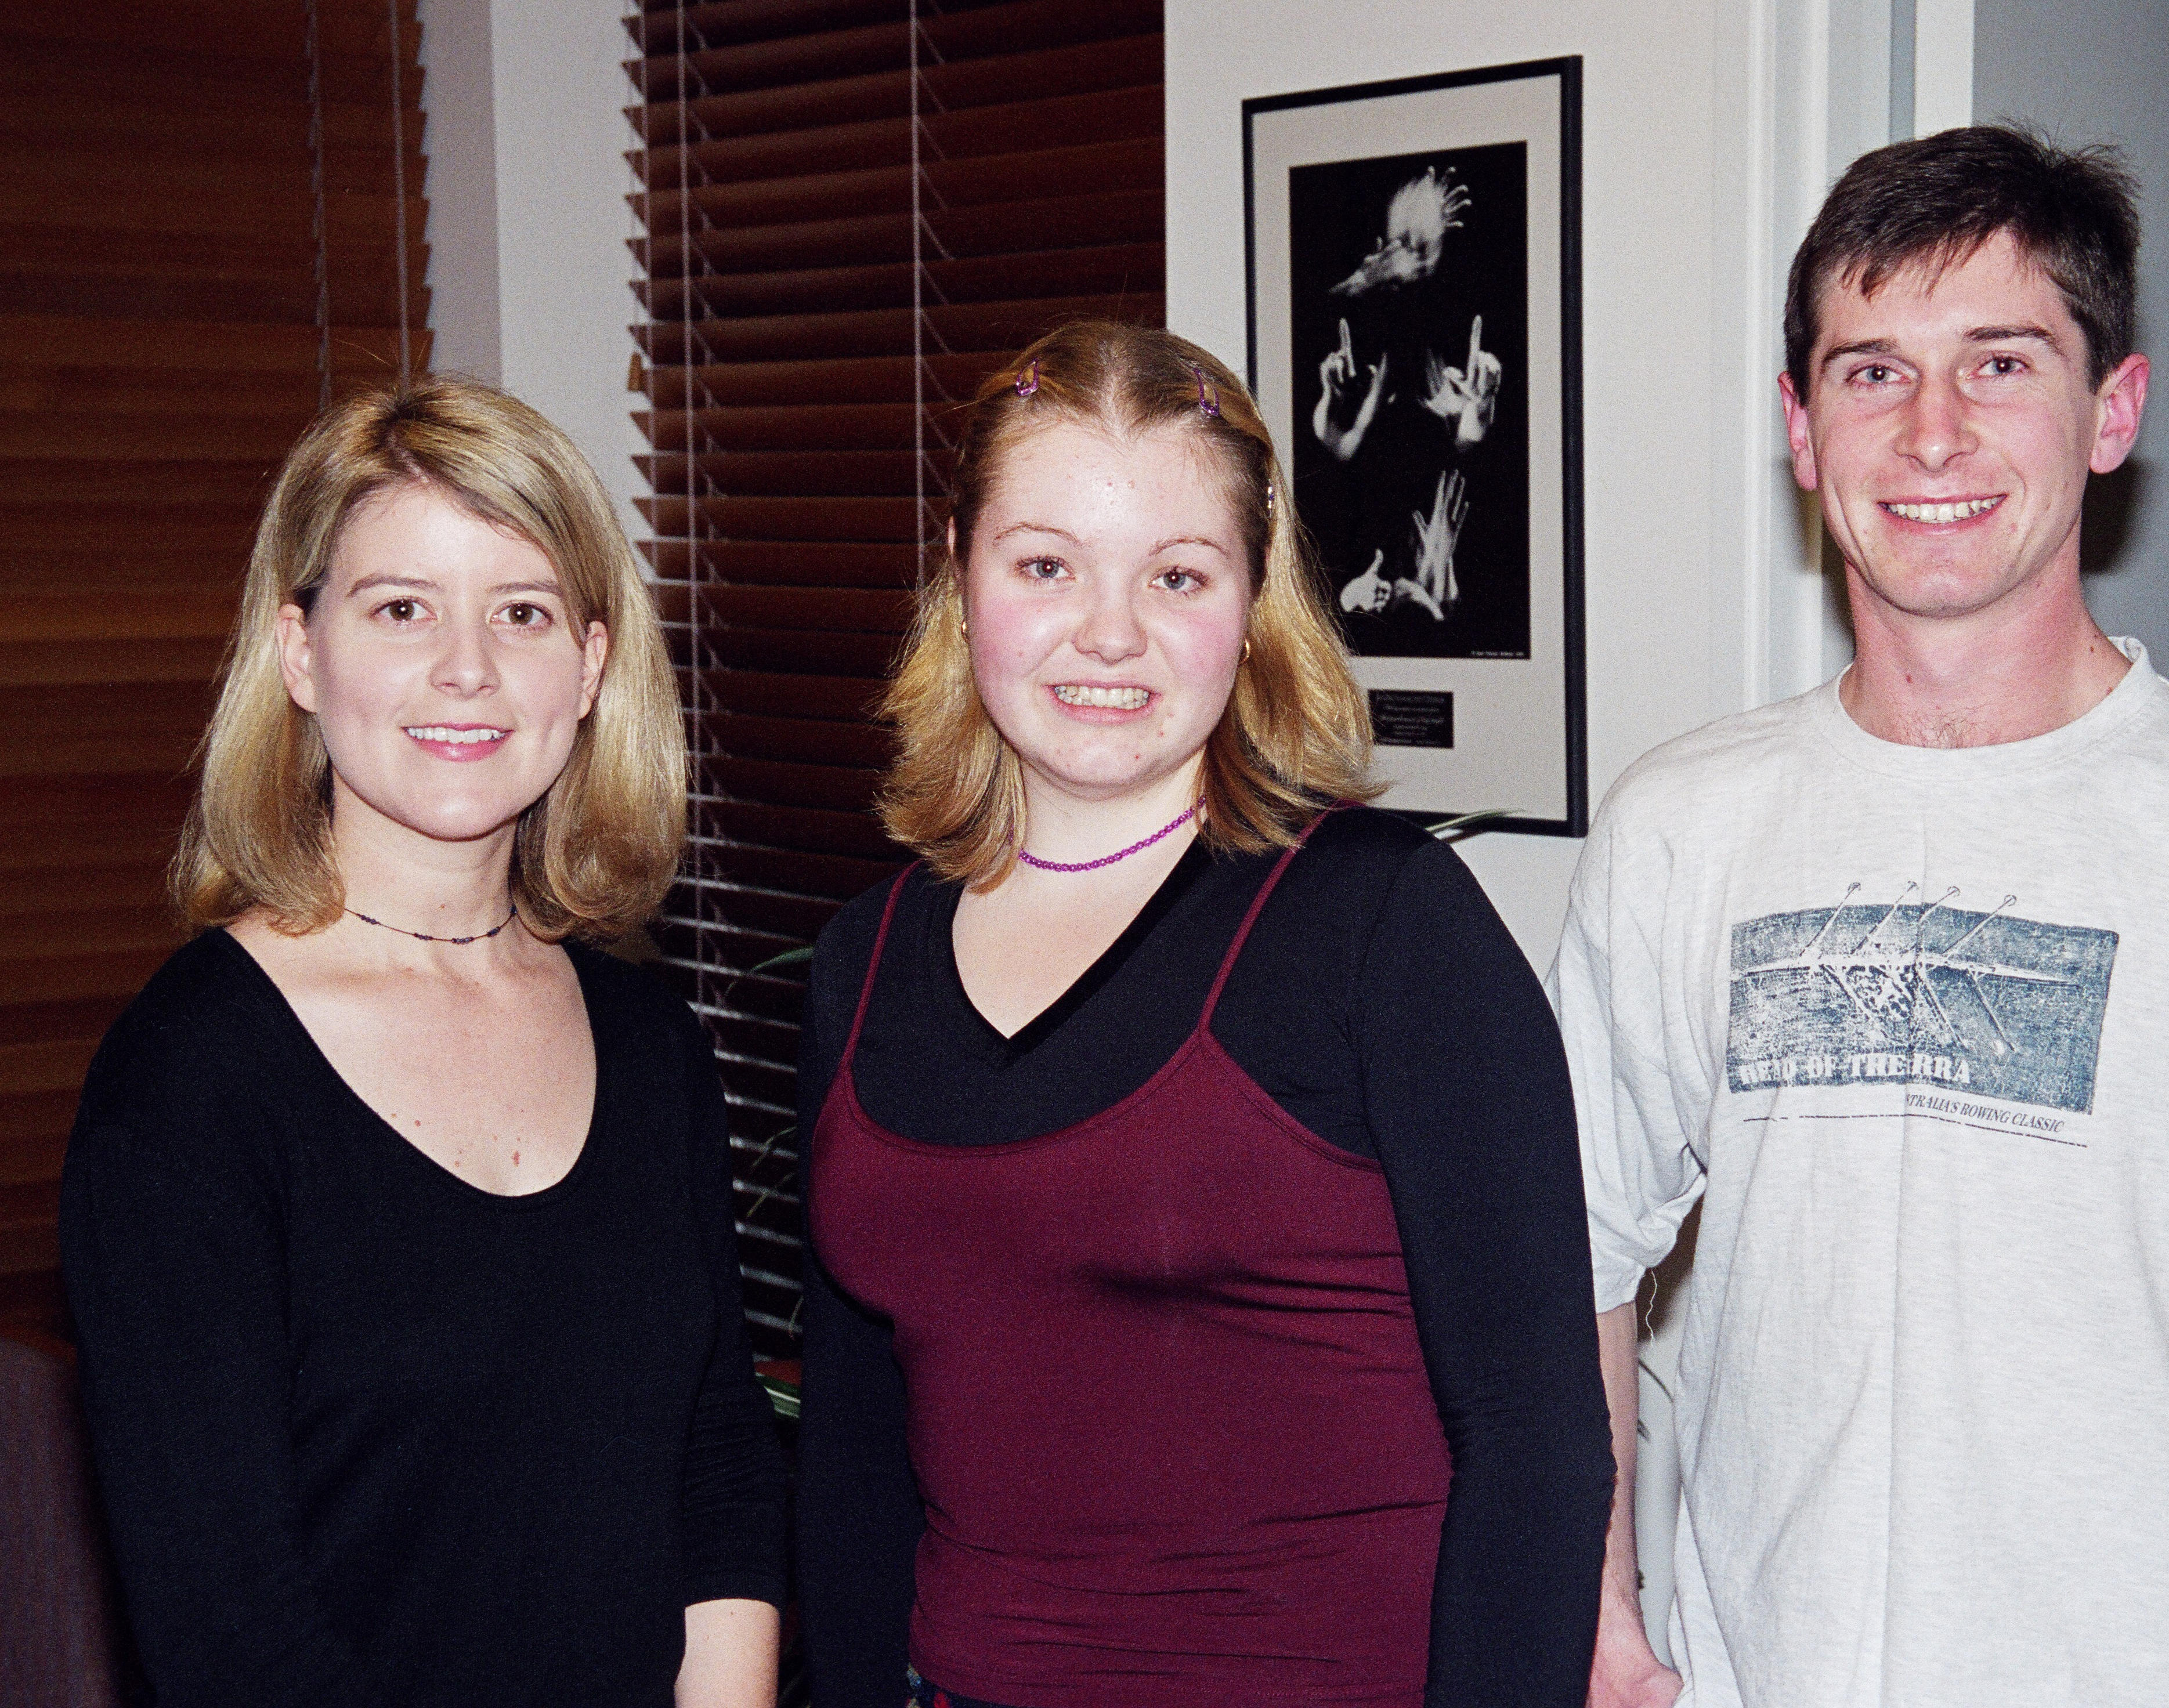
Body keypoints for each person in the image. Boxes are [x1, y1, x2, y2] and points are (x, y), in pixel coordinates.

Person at [794, 321, 1614, 1708]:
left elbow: (1537, 1445)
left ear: (1251, 602)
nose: (1109, 632)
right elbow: (854, 1449)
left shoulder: (1384, 925)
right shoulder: (861, 958)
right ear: (960, 574)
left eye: (1176, 575)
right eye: (1046, 565)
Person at [59, 379, 788, 1707]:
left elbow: (718, 1456)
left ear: (591, 664)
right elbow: (232, 1638)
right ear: (300, 651)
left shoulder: (651, 1041)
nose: (468, 668)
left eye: (522, 612)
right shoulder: (188, 1083)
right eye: (403, 608)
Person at [1555, 126, 2160, 1708]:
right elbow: (1573, 1249)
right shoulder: (1682, 824)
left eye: (2001, 364)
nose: (1933, 433)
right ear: (1801, 430)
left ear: (2113, 411)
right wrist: (1599, 1614)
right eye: (1873, 372)